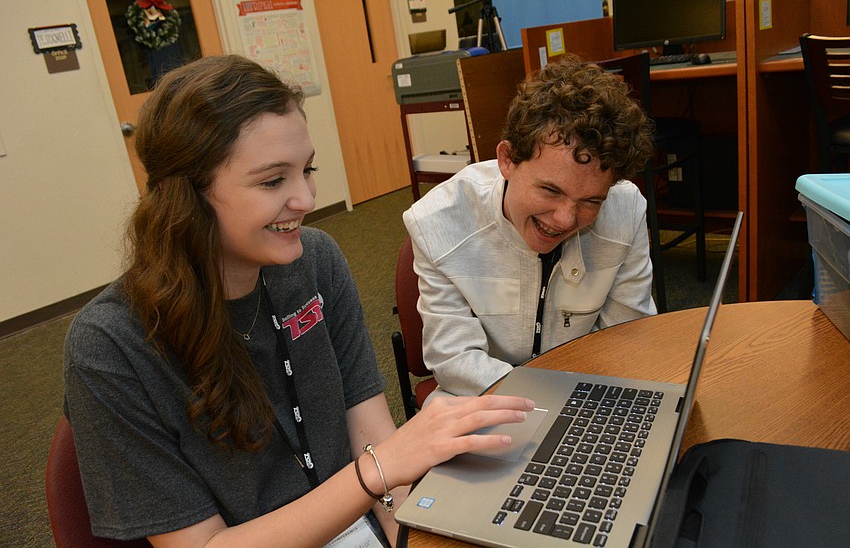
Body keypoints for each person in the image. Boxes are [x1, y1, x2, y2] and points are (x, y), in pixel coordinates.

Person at [62, 55, 534, 548]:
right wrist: (378, 471)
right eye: (272, 181)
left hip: (361, 519)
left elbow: (367, 431)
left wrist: (407, 540)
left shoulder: (315, 262)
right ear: (186, 197)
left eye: (306, 170)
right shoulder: (110, 346)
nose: (307, 198)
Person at [402, 55, 657, 398]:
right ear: (508, 159)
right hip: (485, 399)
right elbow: (455, 359)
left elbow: (627, 337)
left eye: (591, 201)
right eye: (550, 190)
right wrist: (544, 400)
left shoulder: (625, 210)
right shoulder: (437, 221)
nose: (566, 219)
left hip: (585, 395)